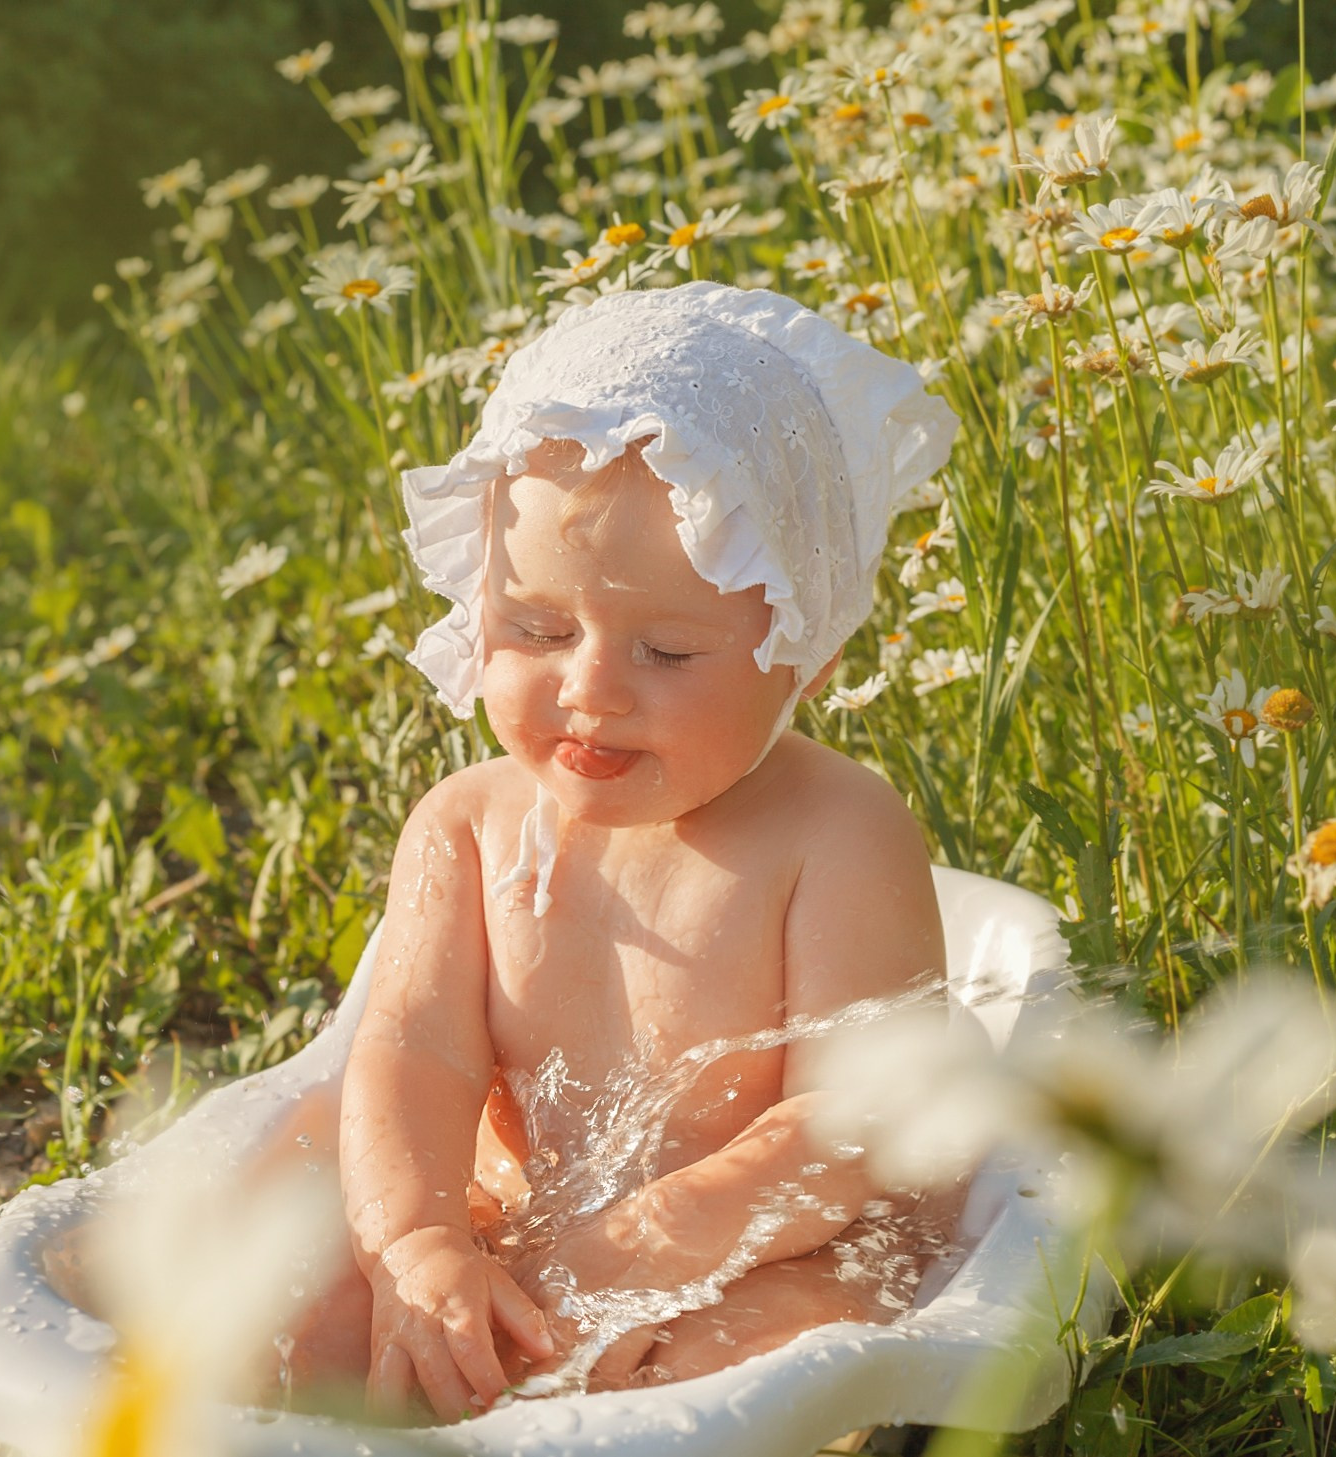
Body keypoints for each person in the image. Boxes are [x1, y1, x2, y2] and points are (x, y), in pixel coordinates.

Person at [301, 281, 963, 1422]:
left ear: (802, 654)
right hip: (515, 1240)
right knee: (313, 1323)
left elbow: (860, 1123)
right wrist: (418, 1246)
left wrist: (650, 1242)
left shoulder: (840, 835)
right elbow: (412, 1054)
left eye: (665, 649)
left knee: (763, 1353)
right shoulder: (464, 827)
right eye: (538, 631)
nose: (590, 689)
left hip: (770, 1255)